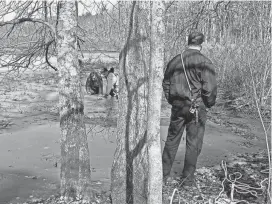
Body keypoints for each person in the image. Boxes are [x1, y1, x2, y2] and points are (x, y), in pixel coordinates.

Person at [162, 32, 217, 187]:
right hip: (197, 108)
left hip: (178, 106)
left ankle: (162, 177)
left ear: (188, 42)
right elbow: (210, 88)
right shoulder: (205, 62)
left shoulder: (175, 60)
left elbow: (166, 83)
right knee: (194, 143)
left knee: (171, 141)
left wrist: (172, 99)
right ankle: (187, 181)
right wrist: (208, 103)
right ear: (202, 44)